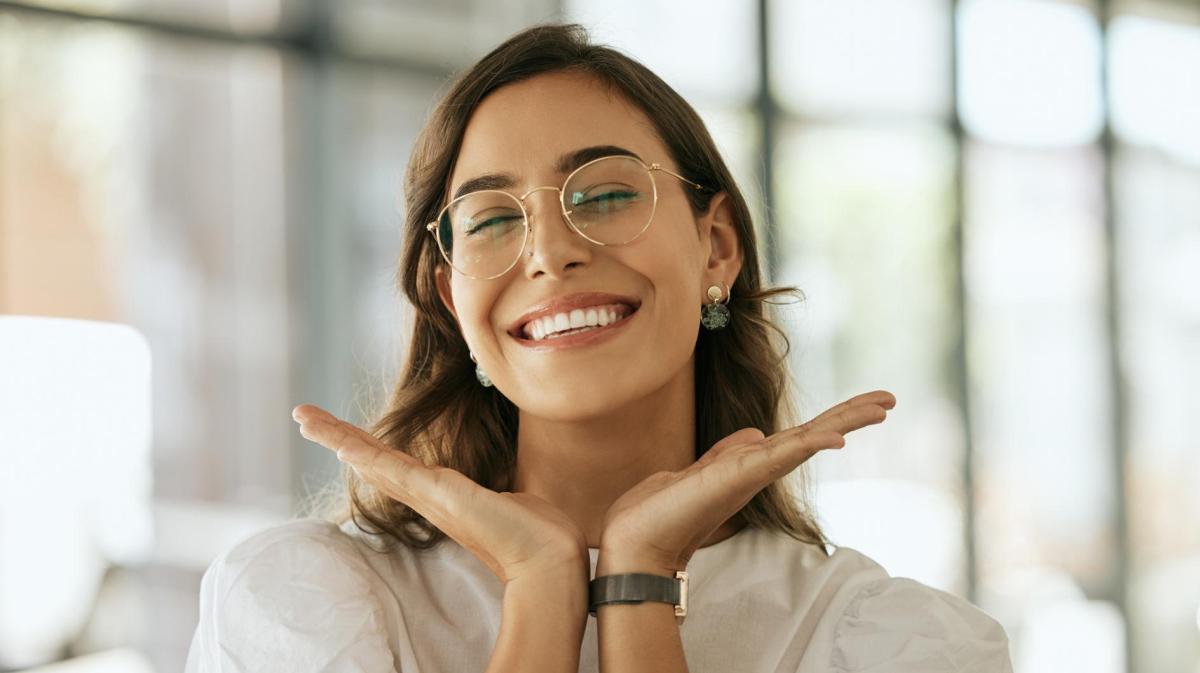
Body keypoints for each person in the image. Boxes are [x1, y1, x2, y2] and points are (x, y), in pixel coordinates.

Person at [183, 22, 1012, 673]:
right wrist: (542, 592)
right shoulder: (305, 602)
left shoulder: (886, 640)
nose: (547, 251)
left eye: (607, 193)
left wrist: (638, 584)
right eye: (493, 219)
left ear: (716, 246)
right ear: (452, 301)